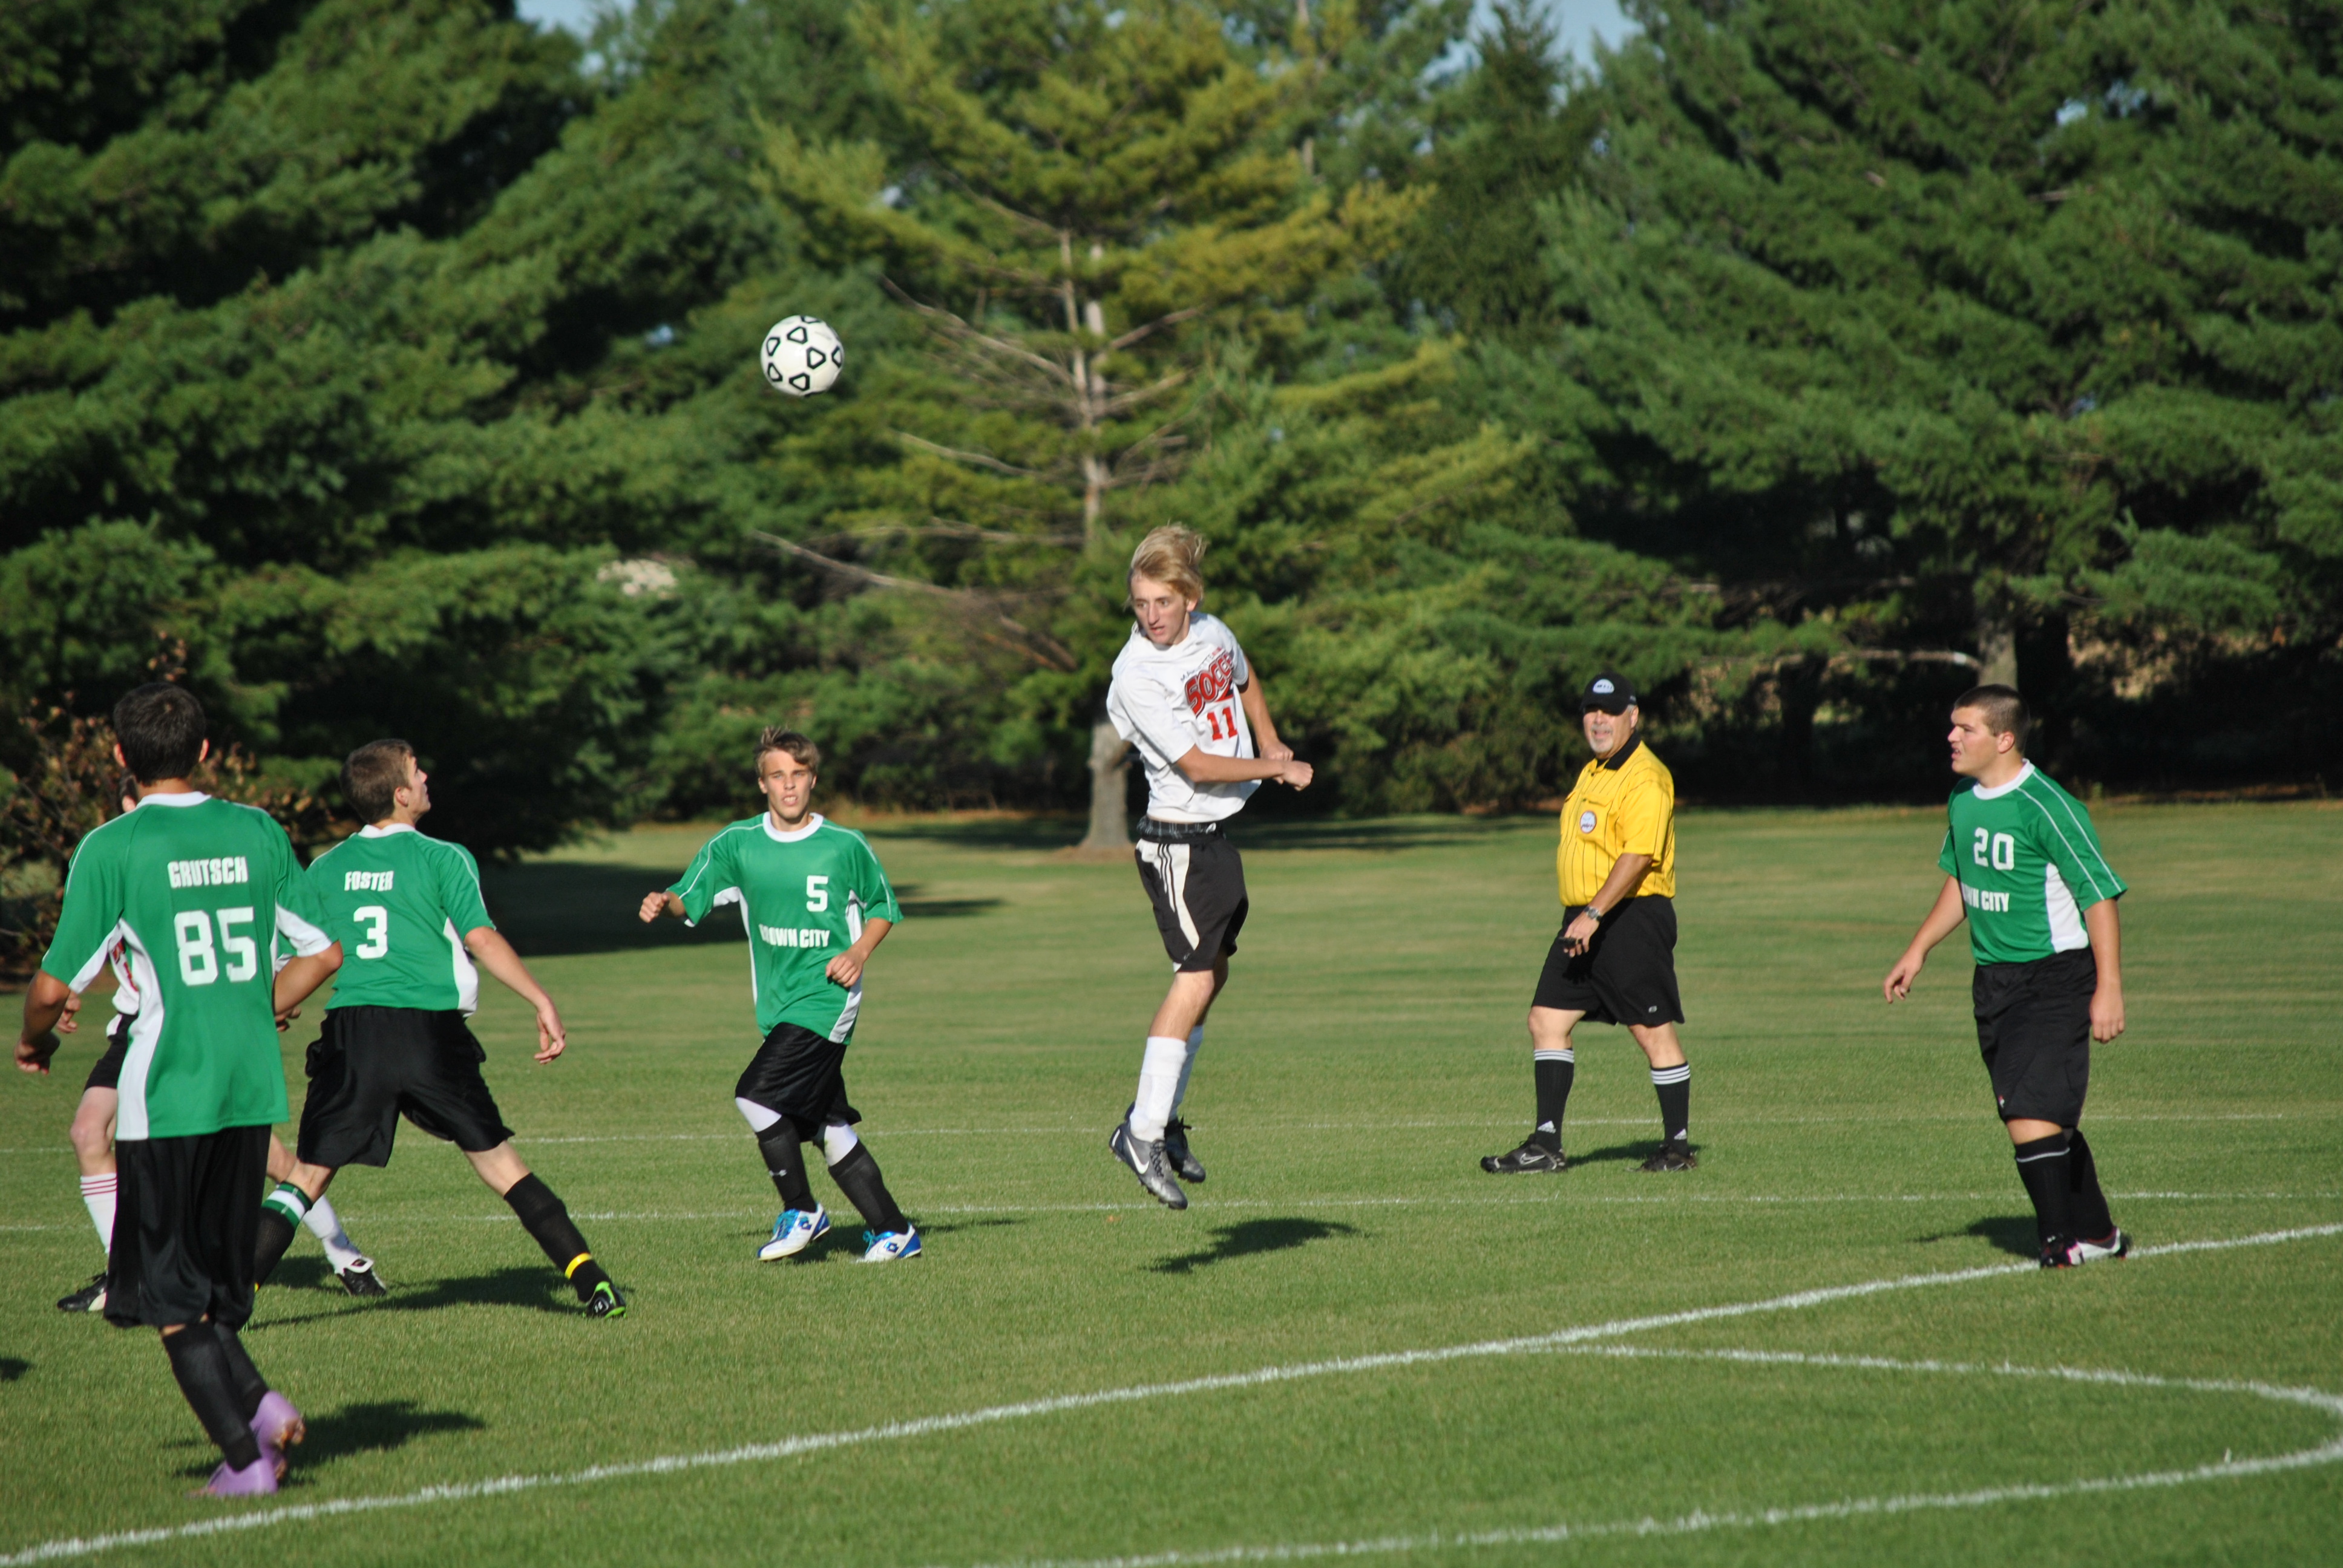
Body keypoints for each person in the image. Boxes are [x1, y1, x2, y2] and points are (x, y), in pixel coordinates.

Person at [15, 683, 342, 1497]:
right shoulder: (258, 830)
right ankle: (263, 1408)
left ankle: (244, 1462)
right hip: (249, 1087)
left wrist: (31, 1042)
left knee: (168, 1295)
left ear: (120, 757)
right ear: (205, 753)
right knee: (212, 1289)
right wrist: (250, 1007)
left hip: (167, 1091)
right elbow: (324, 953)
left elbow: (57, 986)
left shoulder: (113, 846)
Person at [253, 740, 624, 1317]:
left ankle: (230, 1302)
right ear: (401, 795)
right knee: (500, 1164)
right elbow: (480, 938)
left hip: (355, 1034)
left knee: (307, 1175)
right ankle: (592, 1283)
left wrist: (275, 1003)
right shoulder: (444, 857)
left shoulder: (324, 869)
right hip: (430, 1033)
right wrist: (540, 998)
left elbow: (295, 952)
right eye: (417, 771)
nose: (427, 776)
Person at [51, 776, 382, 1315]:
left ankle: (344, 1254)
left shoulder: (203, 853)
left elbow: (260, 936)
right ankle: (126, 1275)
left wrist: (264, 995)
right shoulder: (121, 852)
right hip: (135, 1030)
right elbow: (94, 943)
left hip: (190, 1028)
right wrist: (69, 994)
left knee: (274, 1158)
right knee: (89, 1132)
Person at [638, 729, 919, 1262]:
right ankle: (895, 1232)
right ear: (762, 784)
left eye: (798, 775)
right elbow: (689, 897)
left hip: (827, 998)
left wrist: (858, 953)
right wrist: (664, 901)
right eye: (777, 776)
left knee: (756, 1095)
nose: (788, 786)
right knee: (824, 1127)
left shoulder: (845, 845)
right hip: (779, 1003)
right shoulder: (736, 844)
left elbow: (884, 908)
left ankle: (803, 1211)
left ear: (812, 779)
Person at [1884, 685, 2131, 1268]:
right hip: (1994, 983)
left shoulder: (2047, 806)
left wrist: (2110, 986)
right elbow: (1962, 880)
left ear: (2004, 739)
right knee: (2040, 1115)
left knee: (2028, 1111)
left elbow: (2099, 897)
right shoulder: (1964, 800)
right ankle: (2098, 1234)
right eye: (1952, 726)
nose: (1951, 736)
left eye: (1965, 728)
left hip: (2055, 978)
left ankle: (2057, 1243)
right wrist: (1918, 949)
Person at [1102, 525, 1313, 1209]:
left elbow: (1245, 682)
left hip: (1214, 839)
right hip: (1176, 843)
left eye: (1162, 601)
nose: (1150, 616)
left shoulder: (1214, 633)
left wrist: (1272, 738)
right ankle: (1139, 1133)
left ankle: (1161, 1122)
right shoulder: (1136, 674)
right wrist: (1276, 767)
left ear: (1190, 598)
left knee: (1211, 973)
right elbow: (1193, 765)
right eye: (1139, 603)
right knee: (1193, 979)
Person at [1483, 673, 1695, 1175]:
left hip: (1628, 917)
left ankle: (1678, 1148)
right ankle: (1546, 1145)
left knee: (1651, 1030)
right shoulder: (1594, 772)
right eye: (1590, 710)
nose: (1598, 719)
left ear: (1633, 715)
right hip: (1584, 919)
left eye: (1611, 709)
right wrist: (1584, 916)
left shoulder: (1646, 775)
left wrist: (1595, 913)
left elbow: (1639, 855)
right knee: (1546, 1020)